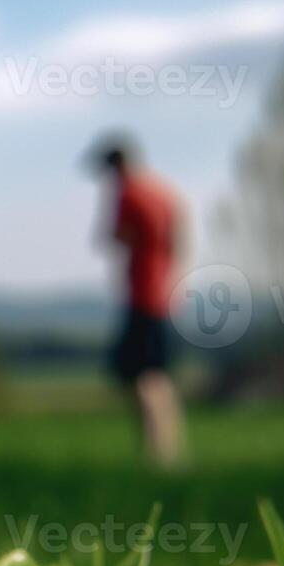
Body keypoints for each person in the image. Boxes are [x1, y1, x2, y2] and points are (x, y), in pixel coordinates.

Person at [89, 133, 187, 467]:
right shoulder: (162, 191)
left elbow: (112, 236)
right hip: (163, 291)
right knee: (158, 373)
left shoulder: (128, 192)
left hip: (141, 293)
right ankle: (170, 447)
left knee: (141, 376)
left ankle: (155, 452)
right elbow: (177, 238)